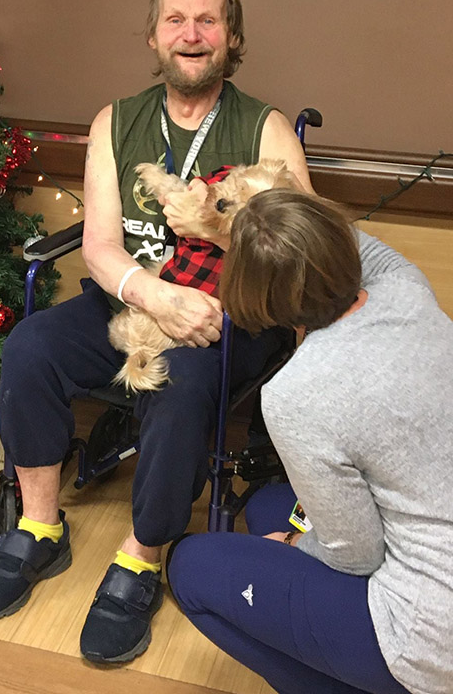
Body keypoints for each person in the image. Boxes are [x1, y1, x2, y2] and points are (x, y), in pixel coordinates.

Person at [0, 0, 313, 664]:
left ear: (232, 37)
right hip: (128, 300)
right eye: (175, 19)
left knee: (182, 384)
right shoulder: (115, 122)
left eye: (207, 20)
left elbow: (301, 252)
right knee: (30, 346)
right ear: (154, 37)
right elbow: (98, 246)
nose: (191, 33)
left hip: (228, 314)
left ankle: (142, 555)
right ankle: (38, 528)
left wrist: (214, 275)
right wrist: (156, 295)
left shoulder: (266, 127)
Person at [168, 190, 453, 694]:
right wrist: (269, 216)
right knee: (272, 507)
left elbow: (355, 557)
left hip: (430, 634)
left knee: (191, 567)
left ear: (253, 292)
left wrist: (297, 546)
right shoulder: (405, 289)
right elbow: (359, 246)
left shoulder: (296, 394)